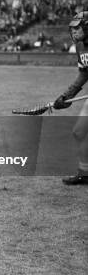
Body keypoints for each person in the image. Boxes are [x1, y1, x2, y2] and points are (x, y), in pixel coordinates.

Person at [52, 11, 88, 185]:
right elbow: (83, 74)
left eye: (77, 28)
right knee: (79, 132)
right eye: (72, 29)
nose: (73, 32)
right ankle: (85, 173)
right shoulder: (80, 47)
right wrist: (66, 96)